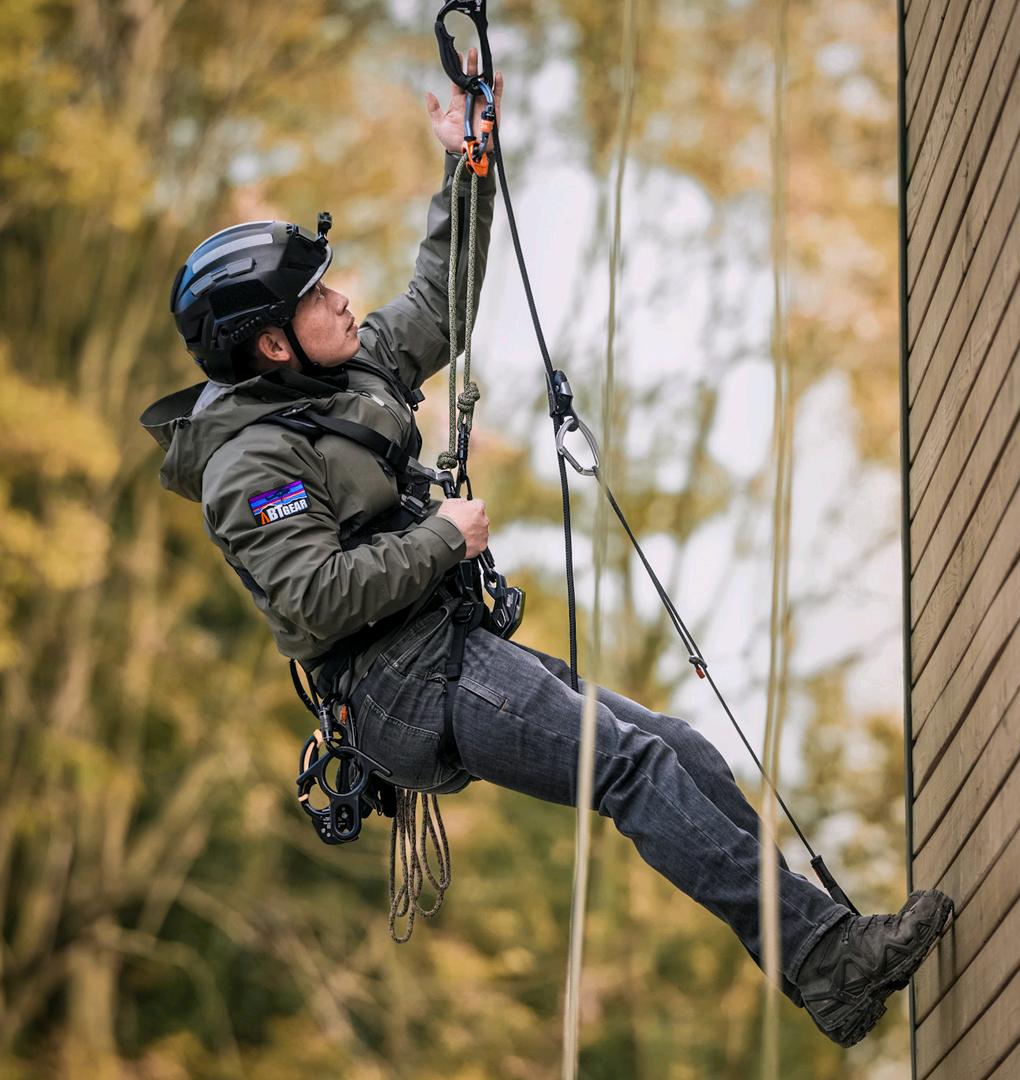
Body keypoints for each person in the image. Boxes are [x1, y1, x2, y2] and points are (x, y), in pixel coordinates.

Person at [141, 50, 953, 1048]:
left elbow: (438, 302)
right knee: (632, 771)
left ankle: (820, 970)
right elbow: (312, 598)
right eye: (317, 297)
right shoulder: (249, 461)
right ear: (271, 344)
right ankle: (830, 957)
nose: (342, 300)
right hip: (403, 683)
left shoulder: (347, 371)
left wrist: (467, 167)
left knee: (680, 751)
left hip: (451, 649)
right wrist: (443, 538)